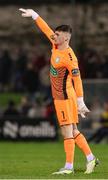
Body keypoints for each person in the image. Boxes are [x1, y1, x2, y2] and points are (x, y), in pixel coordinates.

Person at [19, 8, 99, 174]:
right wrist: (35, 15)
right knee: (74, 131)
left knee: (66, 130)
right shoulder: (55, 43)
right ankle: (91, 158)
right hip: (60, 96)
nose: (53, 35)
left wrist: (80, 100)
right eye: (54, 33)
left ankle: (69, 167)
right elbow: (46, 29)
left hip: (64, 96)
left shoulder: (70, 58)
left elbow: (77, 79)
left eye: (57, 34)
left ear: (66, 38)